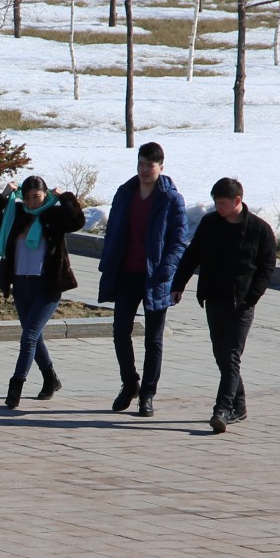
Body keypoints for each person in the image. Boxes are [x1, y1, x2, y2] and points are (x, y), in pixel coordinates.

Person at [171, 178, 277, 434]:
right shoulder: (210, 224)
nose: (217, 207)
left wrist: (252, 297)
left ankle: (222, 409)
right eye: (215, 202)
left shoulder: (259, 230)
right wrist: (178, 285)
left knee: (230, 356)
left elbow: (267, 267)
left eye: (221, 203)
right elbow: (192, 254)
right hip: (214, 300)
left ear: (237, 201)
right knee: (222, 356)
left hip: (242, 305)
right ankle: (239, 405)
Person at [95, 142, 190, 419]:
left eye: (150, 165)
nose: (145, 170)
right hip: (126, 273)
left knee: (153, 339)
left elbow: (179, 241)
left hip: (156, 277)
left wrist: (167, 271)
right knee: (120, 331)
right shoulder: (125, 193)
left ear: (161, 167)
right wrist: (108, 262)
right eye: (141, 164)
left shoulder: (171, 199)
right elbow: (113, 232)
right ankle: (130, 383)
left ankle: (147, 394)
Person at [0, 175, 87, 409]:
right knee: (34, 336)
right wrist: (3, 196)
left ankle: (16, 386)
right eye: (28, 197)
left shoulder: (55, 215)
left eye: (36, 197)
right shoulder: (16, 213)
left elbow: (77, 222)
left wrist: (65, 198)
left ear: (45, 195)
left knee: (29, 336)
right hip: (21, 285)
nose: (31, 202)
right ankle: (51, 378)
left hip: (48, 286)